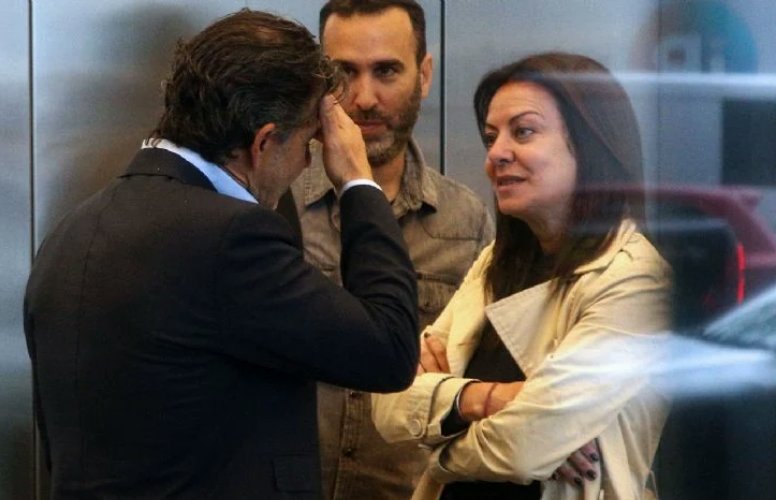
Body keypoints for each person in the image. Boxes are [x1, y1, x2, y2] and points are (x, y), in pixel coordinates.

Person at [23, 9, 420, 499]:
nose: (307, 161)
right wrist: (358, 181)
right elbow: (388, 350)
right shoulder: (231, 239)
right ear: (262, 143)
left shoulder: (69, 232)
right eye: (307, 143)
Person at [372, 52, 673, 499]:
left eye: (524, 131)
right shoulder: (496, 263)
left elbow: (524, 448)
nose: (496, 154)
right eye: (491, 137)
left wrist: (440, 444)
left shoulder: (634, 280)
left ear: (590, 144)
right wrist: (489, 398)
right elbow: (388, 401)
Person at [284, 1, 494, 499]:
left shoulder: (466, 222)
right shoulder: (276, 201)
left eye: (386, 71)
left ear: (424, 75)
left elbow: (488, 385)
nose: (364, 98)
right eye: (343, 73)